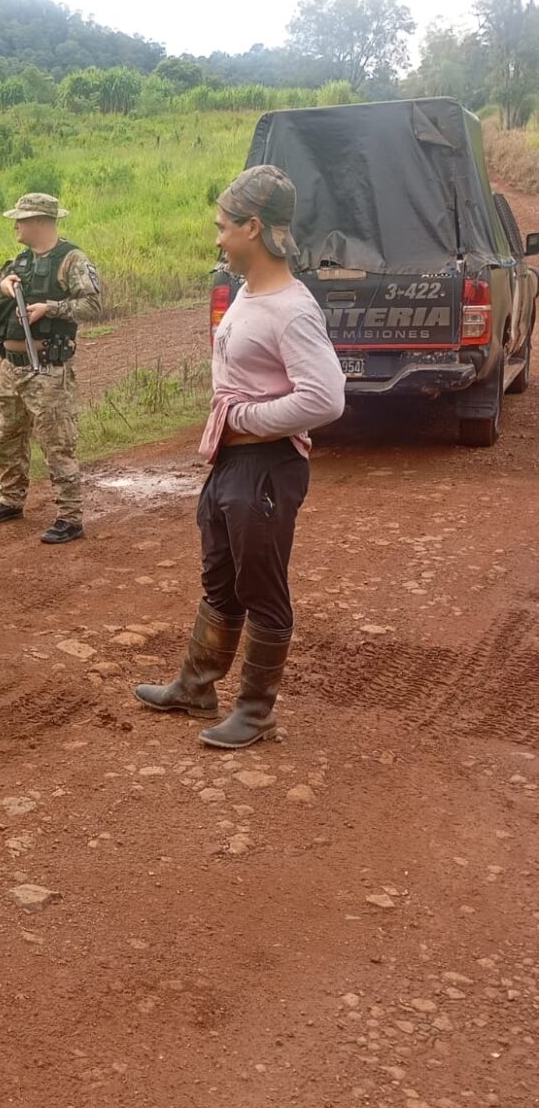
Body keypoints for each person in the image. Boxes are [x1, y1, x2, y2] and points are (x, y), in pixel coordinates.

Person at [135, 165, 345, 748]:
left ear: (253, 227)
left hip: (267, 467)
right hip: (232, 464)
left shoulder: (292, 309)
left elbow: (326, 398)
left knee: (262, 590)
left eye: (223, 227)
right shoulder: (249, 293)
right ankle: (196, 686)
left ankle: (255, 713)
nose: (218, 238)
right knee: (220, 581)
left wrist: (245, 419)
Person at [0, 192, 101, 544]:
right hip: (11, 367)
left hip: (48, 368)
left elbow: (93, 305)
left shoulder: (72, 260)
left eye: (21, 220)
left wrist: (50, 308)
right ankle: (11, 500)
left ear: (39, 221)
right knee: (9, 436)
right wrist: (3, 287)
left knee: (57, 442)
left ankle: (69, 517)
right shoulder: (18, 262)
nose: (15, 226)